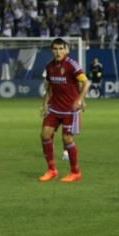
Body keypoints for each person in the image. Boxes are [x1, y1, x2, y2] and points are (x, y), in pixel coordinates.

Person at [39, 38, 90, 182]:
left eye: (61, 48)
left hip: (70, 109)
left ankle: (75, 172)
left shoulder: (72, 65)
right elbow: (48, 87)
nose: (58, 51)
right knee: (45, 135)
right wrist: (45, 104)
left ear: (66, 50)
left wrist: (80, 99)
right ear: (52, 50)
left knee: (67, 138)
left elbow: (86, 83)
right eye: (55, 49)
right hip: (54, 108)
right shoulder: (49, 66)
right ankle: (51, 170)